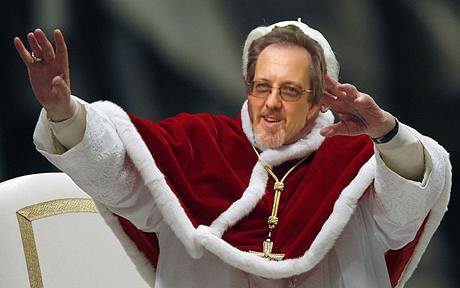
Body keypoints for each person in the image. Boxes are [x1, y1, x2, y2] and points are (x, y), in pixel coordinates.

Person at [14, 20, 451, 288]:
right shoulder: (195, 150)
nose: (272, 103)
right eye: (263, 87)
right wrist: (62, 112)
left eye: (291, 91)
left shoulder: (356, 166)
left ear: (320, 102)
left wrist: (387, 134)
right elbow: (118, 179)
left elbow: (401, 220)